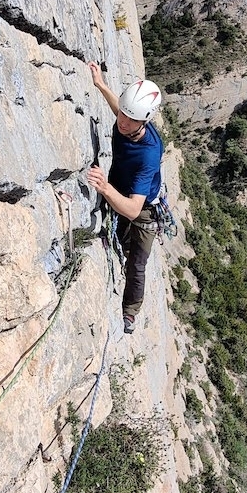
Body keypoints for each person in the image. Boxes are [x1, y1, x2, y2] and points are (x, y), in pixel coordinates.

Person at [86, 63, 164, 334]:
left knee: (137, 263)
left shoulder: (148, 154)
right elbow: (119, 108)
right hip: (119, 186)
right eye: (124, 114)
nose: (122, 121)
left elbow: (132, 209)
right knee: (118, 236)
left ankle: (130, 311)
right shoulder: (128, 117)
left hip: (142, 208)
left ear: (145, 121)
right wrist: (101, 84)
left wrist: (105, 189)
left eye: (131, 119)